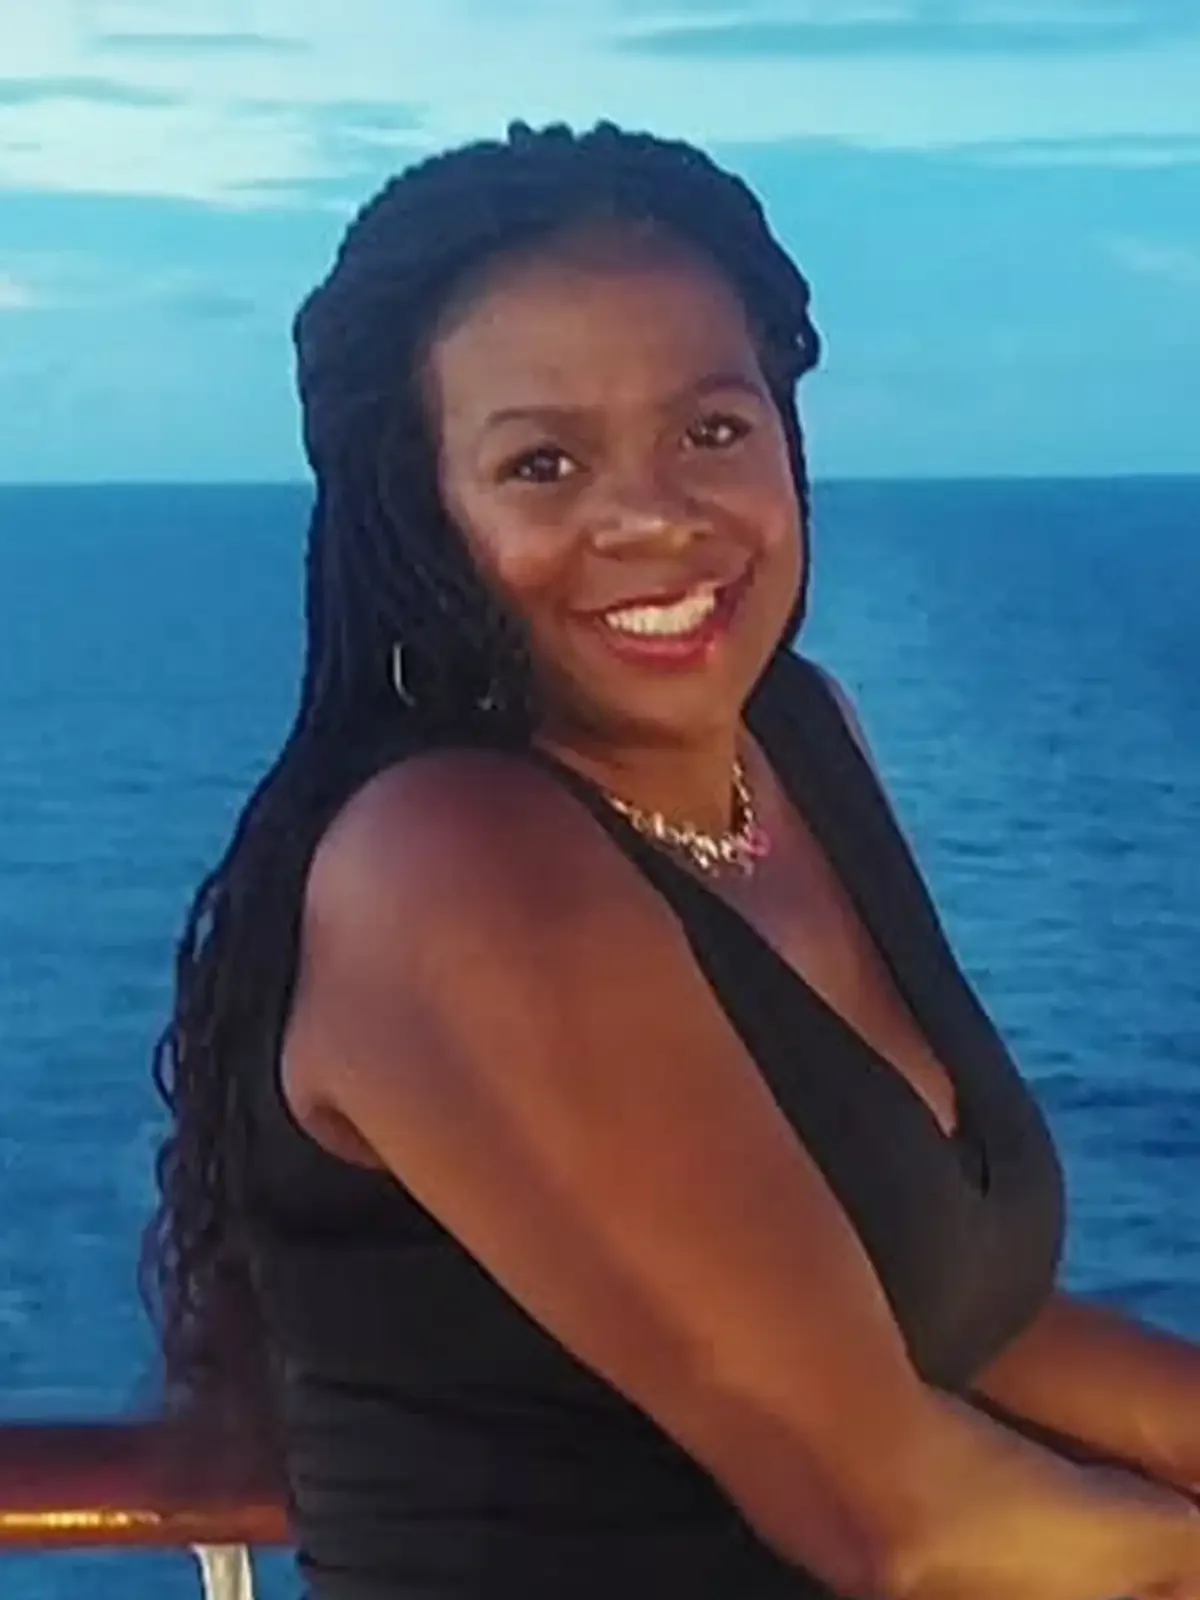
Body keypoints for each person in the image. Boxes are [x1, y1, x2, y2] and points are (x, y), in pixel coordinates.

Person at [141, 121, 1200, 1599]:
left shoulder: (801, 742)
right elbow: (903, 1521)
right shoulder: (454, 869)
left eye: (713, 429)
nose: (650, 517)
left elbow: (947, 1315)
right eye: (544, 462)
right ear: (420, 511)